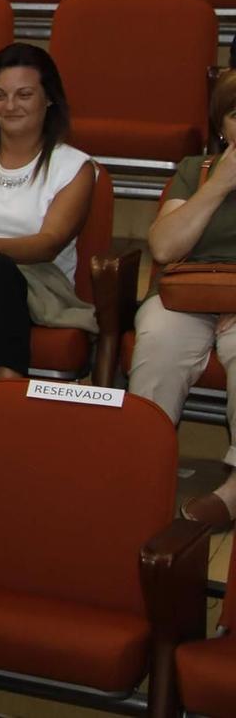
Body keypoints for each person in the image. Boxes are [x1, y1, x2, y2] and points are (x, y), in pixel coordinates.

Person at [0, 44, 95, 388]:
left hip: (37, 282)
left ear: (49, 99)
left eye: (24, 95)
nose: (10, 106)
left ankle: (6, 390)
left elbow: (48, 244)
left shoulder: (73, 166)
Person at [129, 71, 236, 528]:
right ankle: (137, 471)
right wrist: (219, 186)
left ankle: (233, 492)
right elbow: (166, 248)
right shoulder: (197, 170)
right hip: (185, 293)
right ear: (220, 128)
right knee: (158, 344)